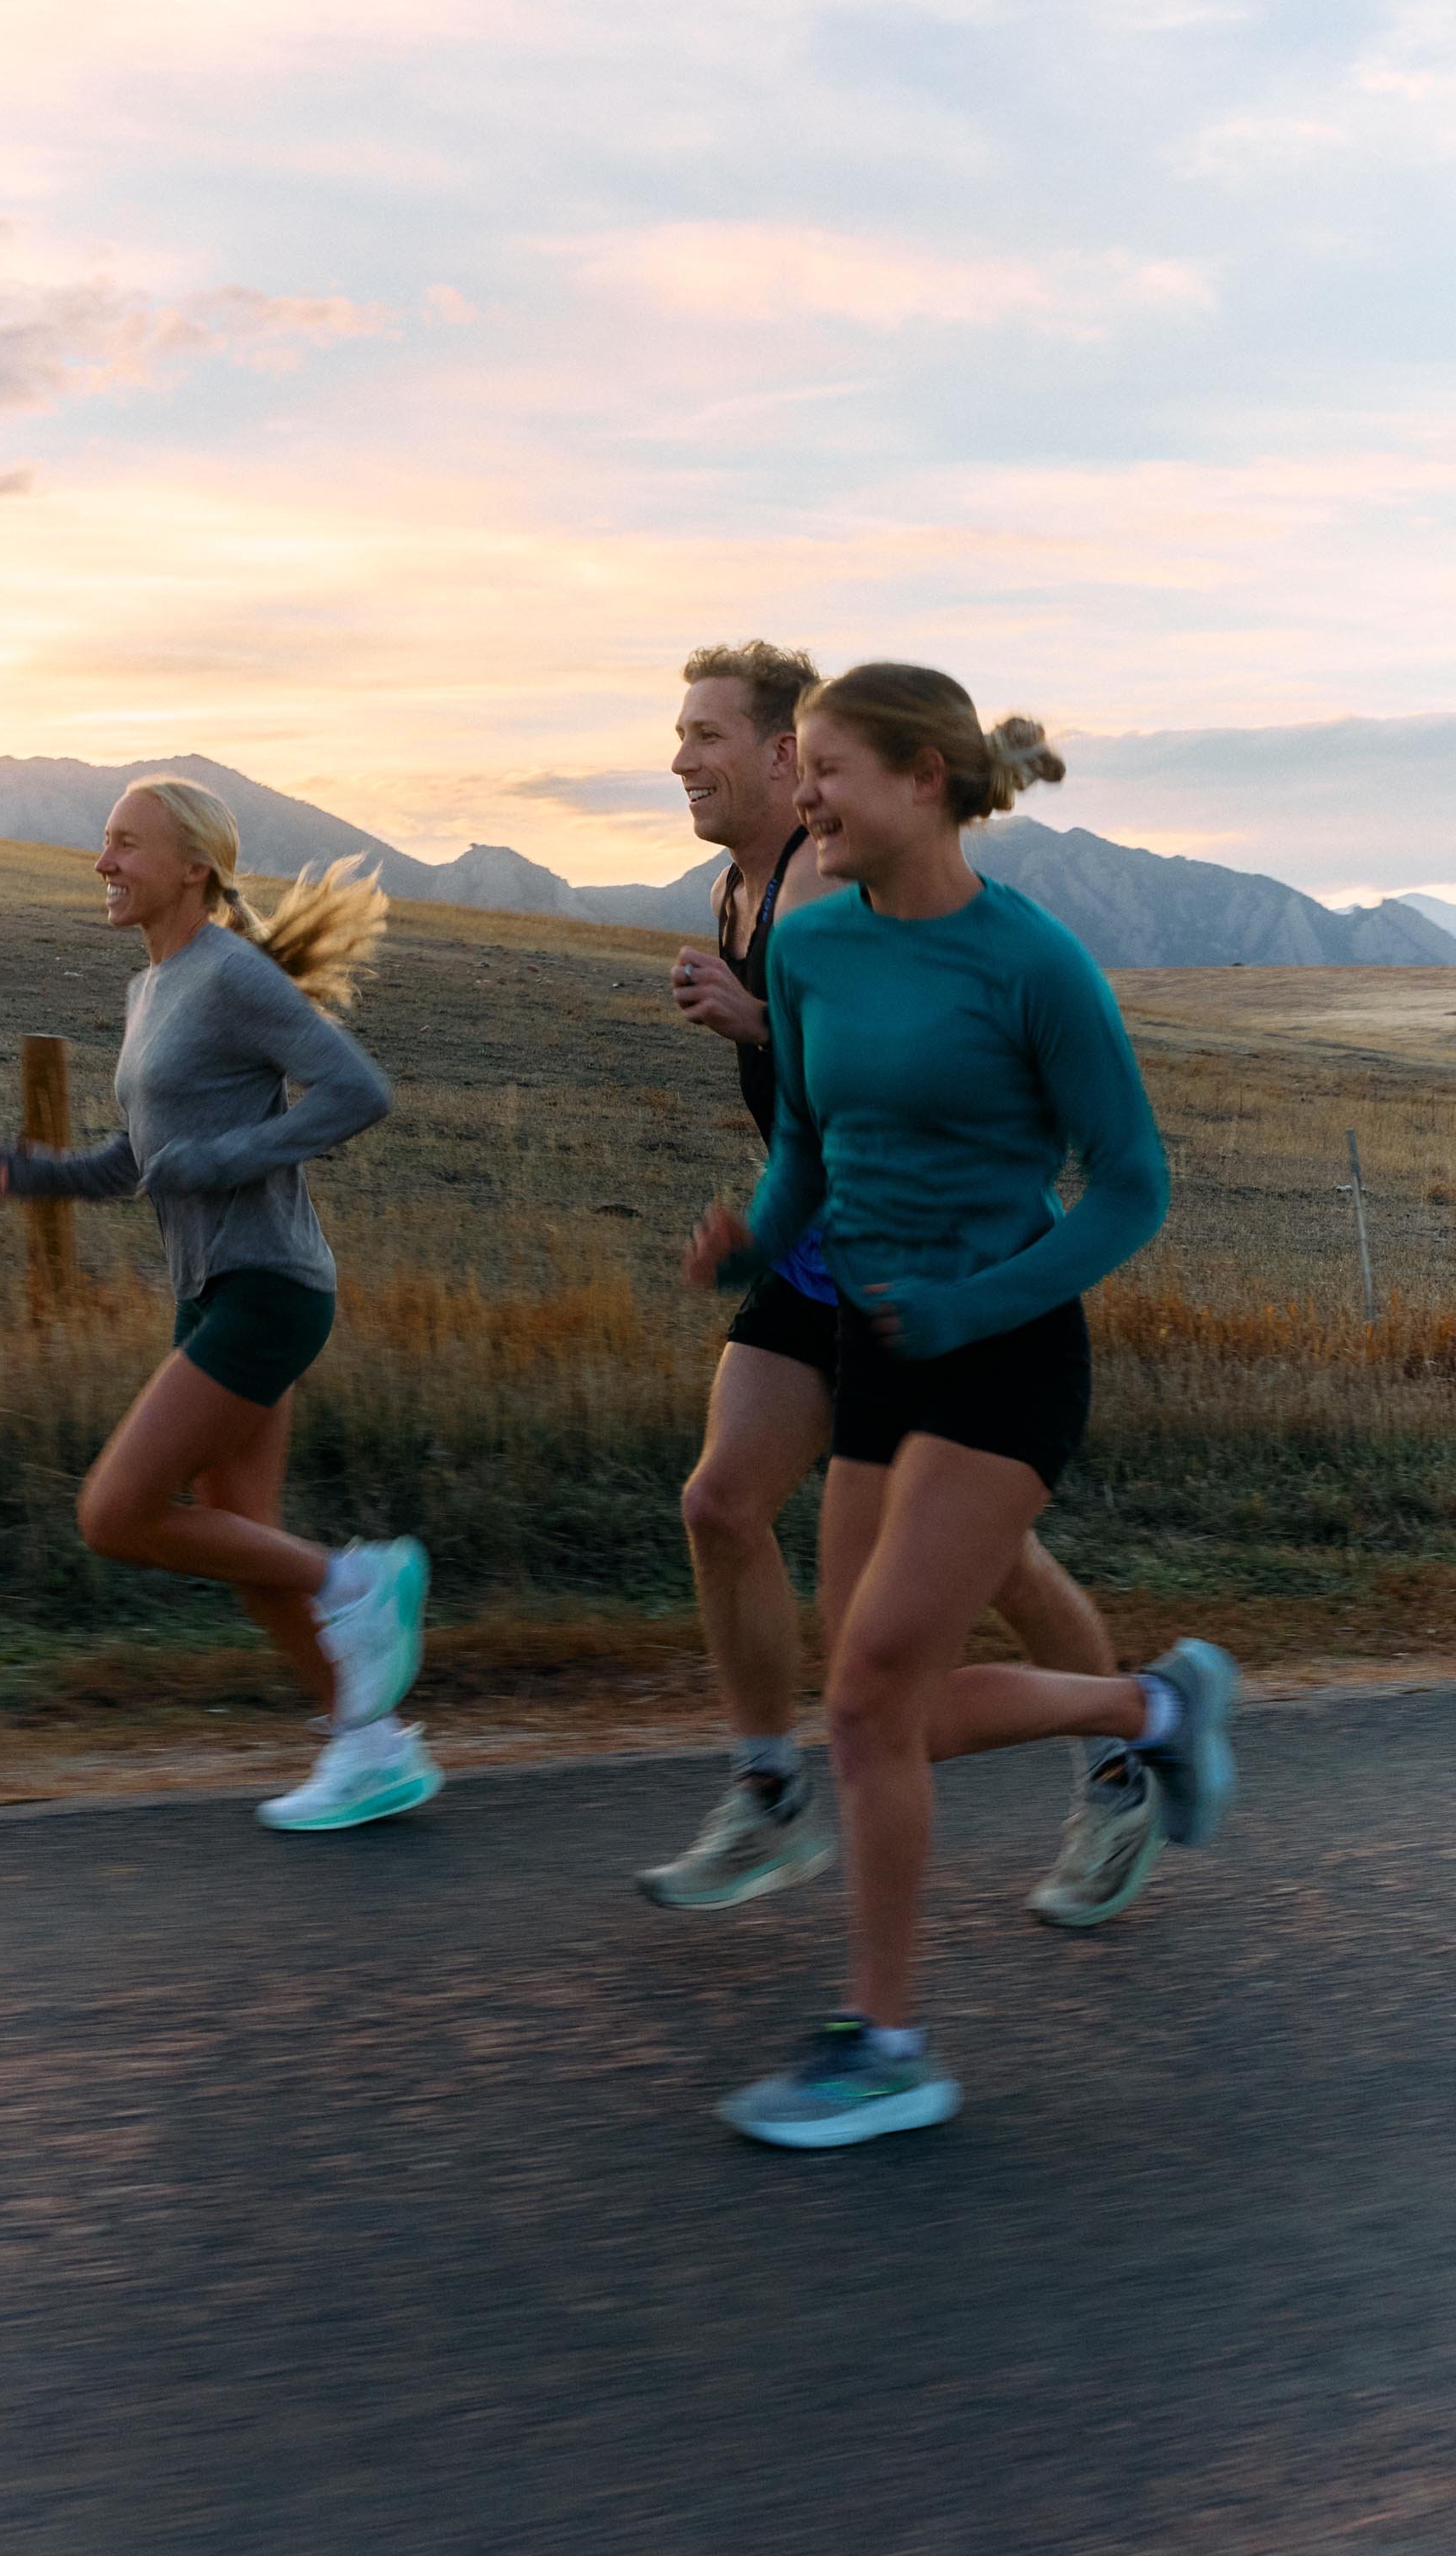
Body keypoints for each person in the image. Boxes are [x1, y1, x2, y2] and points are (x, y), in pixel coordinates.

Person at [685, 664, 1236, 2149]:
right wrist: (750, 1226)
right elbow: (806, 1140)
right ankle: (1154, 1706)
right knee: (882, 1721)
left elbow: (1131, 1187)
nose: (807, 801)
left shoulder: (1032, 962)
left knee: (865, 1698)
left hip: (1001, 1350)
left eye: (830, 773)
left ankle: (889, 2044)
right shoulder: (811, 956)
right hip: (878, 1347)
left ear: (927, 779)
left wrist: (973, 1304)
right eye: (798, 773)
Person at [639, 642, 1163, 1931]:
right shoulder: (741, 894)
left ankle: (1121, 1763)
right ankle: (770, 1794)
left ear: (783, 758)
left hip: (928, 1277)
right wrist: (751, 1237)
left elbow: (1108, 1165)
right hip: (814, 1246)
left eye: (708, 735)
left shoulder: (838, 882)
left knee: (987, 1572)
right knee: (720, 1501)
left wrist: (759, 1023)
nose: (681, 759)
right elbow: (817, 1121)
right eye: (680, 732)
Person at [0, 774, 440, 1834]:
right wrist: (41, 1174)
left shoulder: (232, 975)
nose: (103, 863)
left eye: (124, 845)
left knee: (117, 1513)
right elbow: (150, 1164)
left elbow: (358, 1092)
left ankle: (360, 1580)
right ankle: (370, 1749)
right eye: (104, 843)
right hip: (212, 1290)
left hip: (270, 1286)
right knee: (242, 1536)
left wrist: (229, 1154)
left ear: (192, 866)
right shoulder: (152, 988)